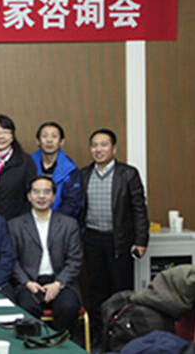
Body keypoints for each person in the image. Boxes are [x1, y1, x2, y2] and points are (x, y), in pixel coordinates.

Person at [80, 128, 149, 344]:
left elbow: (139, 209)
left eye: (104, 144)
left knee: (121, 291)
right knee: (96, 290)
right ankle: (98, 337)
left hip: (120, 241)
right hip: (92, 239)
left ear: (114, 148)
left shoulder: (128, 174)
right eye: (94, 145)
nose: (98, 149)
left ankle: (122, 337)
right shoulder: (84, 174)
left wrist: (140, 240)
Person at [8, 176, 82, 334]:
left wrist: (58, 284)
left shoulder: (69, 224)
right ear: (29, 196)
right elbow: (12, 260)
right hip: (29, 283)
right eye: (36, 192)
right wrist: (27, 283)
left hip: (60, 282)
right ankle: (33, 345)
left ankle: (60, 345)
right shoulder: (15, 225)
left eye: (46, 192)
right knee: (26, 308)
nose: (41, 196)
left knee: (68, 307)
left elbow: (75, 260)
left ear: (53, 197)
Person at [30, 122, 82, 217]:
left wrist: (53, 221)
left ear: (61, 142)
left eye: (54, 136)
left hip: (61, 221)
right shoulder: (28, 165)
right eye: (45, 136)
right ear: (38, 141)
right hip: (31, 220)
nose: (49, 140)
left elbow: (72, 202)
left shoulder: (71, 170)